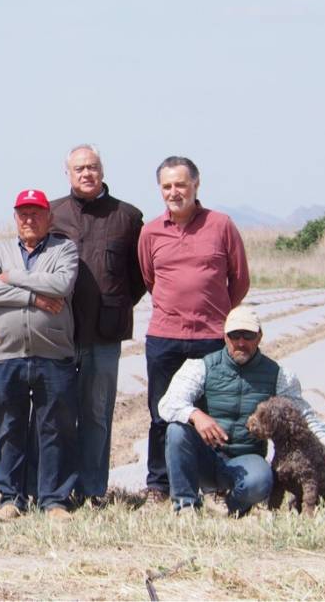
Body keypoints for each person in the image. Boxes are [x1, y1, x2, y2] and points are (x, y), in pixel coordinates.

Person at [158, 306, 325, 515]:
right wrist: (196, 415)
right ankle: (185, 506)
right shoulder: (200, 367)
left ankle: (227, 507)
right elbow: (167, 404)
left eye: (248, 335)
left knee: (260, 482)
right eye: (234, 335)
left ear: (259, 337)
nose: (241, 342)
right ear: (225, 336)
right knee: (176, 430)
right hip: (207, 456)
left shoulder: (279, 376)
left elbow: (303, 416)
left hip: (247, 459)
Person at [138, 156, 250, 503]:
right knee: (161, 412)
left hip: (210, 336)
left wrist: (215, 313)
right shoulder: (151, 231)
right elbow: (149, 278)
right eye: (167, 186)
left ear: (196, 186)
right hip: (165, 336)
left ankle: (213, 483)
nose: (174, 192)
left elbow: (240, 279)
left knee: (212, 413)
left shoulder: (221, 225)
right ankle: (160, 484)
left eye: (181, 185)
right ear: (160, 190)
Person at [49, 144, 145, 505]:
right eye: (79, 168)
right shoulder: (53, 214)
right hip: (60, 333)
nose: (86, 173)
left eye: (92, 167)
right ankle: (57, 489)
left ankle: (92, 490)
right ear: (68, 173)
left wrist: (116, 305)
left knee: (96, 413)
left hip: (105, 334)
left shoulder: (128, 217)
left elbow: (139, 277)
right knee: (58, 412)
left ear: (102, 170)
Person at [0, 189, 79, 519]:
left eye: (36, 213)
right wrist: (33, 298)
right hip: (7, 355)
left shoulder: (65, 248)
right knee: (7, 427)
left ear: (49, 217)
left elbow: (61, 285)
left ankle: (54, 500)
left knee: (56, 428)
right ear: (15, 217)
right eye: (23, 214)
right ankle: (10, 497)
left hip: (54, 353)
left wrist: (14, 278)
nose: (29, 219)